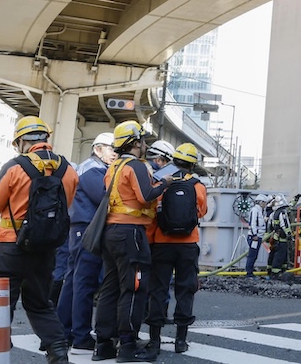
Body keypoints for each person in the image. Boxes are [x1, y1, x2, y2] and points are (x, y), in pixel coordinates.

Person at [0, 116, 78, 364]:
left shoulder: (15, 166)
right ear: (46, 138)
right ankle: (57, 351)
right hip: (45, 248)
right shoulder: (68, 170)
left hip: (11, 244)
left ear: (22, 141)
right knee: (40, 302)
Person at [92, 121, 170, 363]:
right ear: (135, 142)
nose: (145, 145)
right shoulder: (134, 165)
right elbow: (146, 196)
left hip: (111, 232)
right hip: (131, 234)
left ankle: (103, 345)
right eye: (143, 141)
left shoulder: (113, 166)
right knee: (134, 289)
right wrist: (165, 183)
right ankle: (128, 345)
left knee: (110, 288)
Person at [145, 143, 206, 355]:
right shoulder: (198, 186)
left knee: (158, 290)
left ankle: (154, 340)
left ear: (174, 160)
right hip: (188, 244)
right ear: (192, 165)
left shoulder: (162, 183)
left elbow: (153, 209)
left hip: (162, 243)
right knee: (186, 289)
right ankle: (181, 340)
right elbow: (202, 212)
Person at [58, 132, 117, 350]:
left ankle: (66, 331)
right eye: (111, 148)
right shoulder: (93, 169)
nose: (114, 153)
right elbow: (105, 196)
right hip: (88, 230)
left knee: (75, 281)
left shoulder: (89, 167)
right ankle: (80, 335)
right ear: (97, 149)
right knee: (84, 283)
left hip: (81, 229)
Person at [265, 196, 292, 276]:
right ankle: (276, 272)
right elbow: (285, 225)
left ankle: (270, 270)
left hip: (274, 238)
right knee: (280, 255)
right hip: (282, 239)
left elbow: (269, 226)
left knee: (273, 254)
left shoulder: (272, 214)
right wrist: (289, 234)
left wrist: (267, 236)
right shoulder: (282, 213)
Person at [242, 194, 268, 276]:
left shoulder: (261, 211)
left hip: (258, 237)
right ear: (260, 202)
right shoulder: (255, 210)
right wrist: (254, 235)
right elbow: (252, 223)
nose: (265, 205)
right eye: (264, 203)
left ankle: (250, 270)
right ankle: (249, 272)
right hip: (254, 237)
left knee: (254, 255)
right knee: (252, 255)